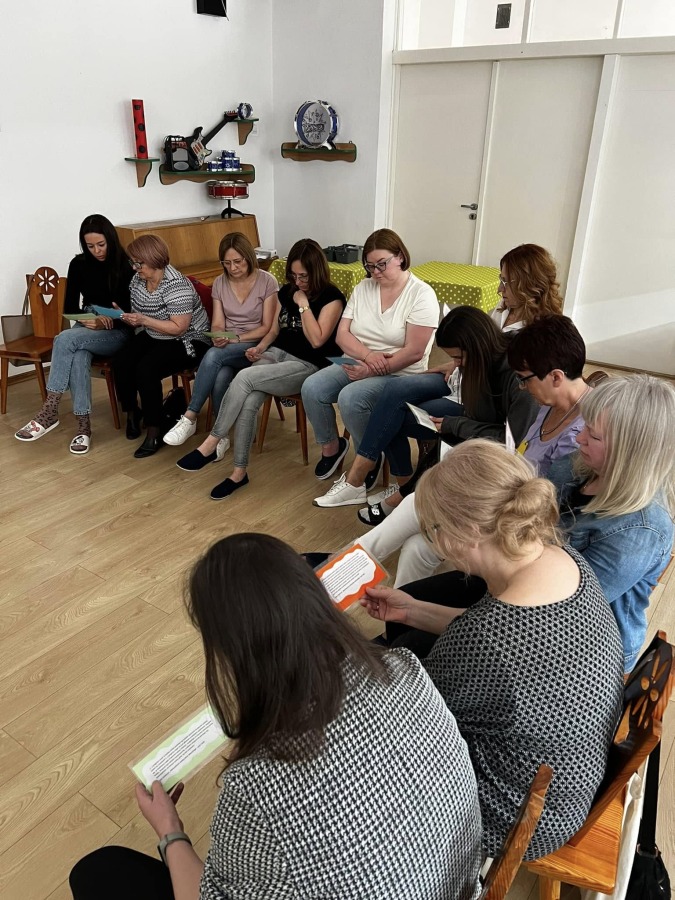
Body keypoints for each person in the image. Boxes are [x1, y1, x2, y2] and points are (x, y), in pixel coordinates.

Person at [69, 534, 484, 900]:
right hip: (461, 885)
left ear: (228, 651)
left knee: (98, 872)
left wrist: (169, 831)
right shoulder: (404, 667)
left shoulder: (255, 784)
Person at [361, 440, 625, 861]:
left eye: (433, 530)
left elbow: (411, 723)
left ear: (466, 533)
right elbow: (502, 645)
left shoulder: (487, 638)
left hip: (521, 821)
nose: (434, 542)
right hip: (569, 780)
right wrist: (410, 610)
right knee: (409, 644)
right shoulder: (562, 559)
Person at [317, 305, 538, 513]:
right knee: (392, 409)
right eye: (453, 358)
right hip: (466, 409)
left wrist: (454, 424)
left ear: (476, 347)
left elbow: (508, 441)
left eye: (458, 357)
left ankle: (387, 488)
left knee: (396, 413)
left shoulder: (520, 377)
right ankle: (400, 487)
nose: (456, 363)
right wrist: (454, 369)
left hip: (484, 435)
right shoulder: (479, 359)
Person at [175, 239, 345, 500]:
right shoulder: (287, 291)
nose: (298, 282)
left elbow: (317, 340)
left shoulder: (332, 297)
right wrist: (260, 348)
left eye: (303, 276)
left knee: (244, 377)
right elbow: (275, 330)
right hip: (275, 353)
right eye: (294, 276)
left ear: (317, 271)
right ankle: (239, 473)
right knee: (249, 400)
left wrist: (303, 304)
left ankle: (212, 442)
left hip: (306, 364)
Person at [301, 228, 438, 490]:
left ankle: (369, 458)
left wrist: (372, 369)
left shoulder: (421, 294)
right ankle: (333, 447)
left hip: (401, 373)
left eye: (381, 264)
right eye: (370, 266)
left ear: (400, 256)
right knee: (312, 387)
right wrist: (367, 356)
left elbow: (414, 352)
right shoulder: (363, 287)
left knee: (351, 398)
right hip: (358, 361)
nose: (375, 272)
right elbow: (342, 335)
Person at [555, 374, 675, 672]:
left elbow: (563, 605)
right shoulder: (583, 464)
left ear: (631, 452)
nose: (579, 438)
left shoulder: (641, 530)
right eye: (585, 426)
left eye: (594, 436)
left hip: (587, 648)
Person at [15, 214, 133, 454]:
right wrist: (88, 318)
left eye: (101, 244)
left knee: (63, 339)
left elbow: (132, 314)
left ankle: (50, 410)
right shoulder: (78, 264)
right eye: (90, 246)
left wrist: (107, 321)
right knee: (78, 355)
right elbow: (69, 308)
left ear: (110, 239)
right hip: (86, 327)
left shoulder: (126, 265)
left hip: (118, 331)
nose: (97, 251)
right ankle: (83, 428)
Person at [163, 233, 278, 448]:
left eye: (238, 261)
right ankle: (221, 436)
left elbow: (266, 327)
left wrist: (236, 338)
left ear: (248, 257)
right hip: (228, 347)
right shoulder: (219, 282)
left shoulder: (267, 281)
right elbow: (217, 323)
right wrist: (218, 336)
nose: (233, 268)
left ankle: (190, 416)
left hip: (254, 343)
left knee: (214, 356)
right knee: (221, 374)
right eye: (227, 263)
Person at [111, 235, 211, 459]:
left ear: (153, 260)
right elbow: (140, 314)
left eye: (139, 263)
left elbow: (178, 328)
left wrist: (143, 320)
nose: (134, 267)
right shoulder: (138, 280)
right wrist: (127, 317)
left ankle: (155, 430)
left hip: (189, 340)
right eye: (133, 262)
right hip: (156, 333)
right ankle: (133, 412)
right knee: (121, 361)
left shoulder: (177, 285)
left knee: (146, 369)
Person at [490, 243, 563, 333]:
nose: (500, 289)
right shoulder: (504, 305)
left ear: (531, 285)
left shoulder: (543, 330)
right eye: (502, 280)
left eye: (508, 282)